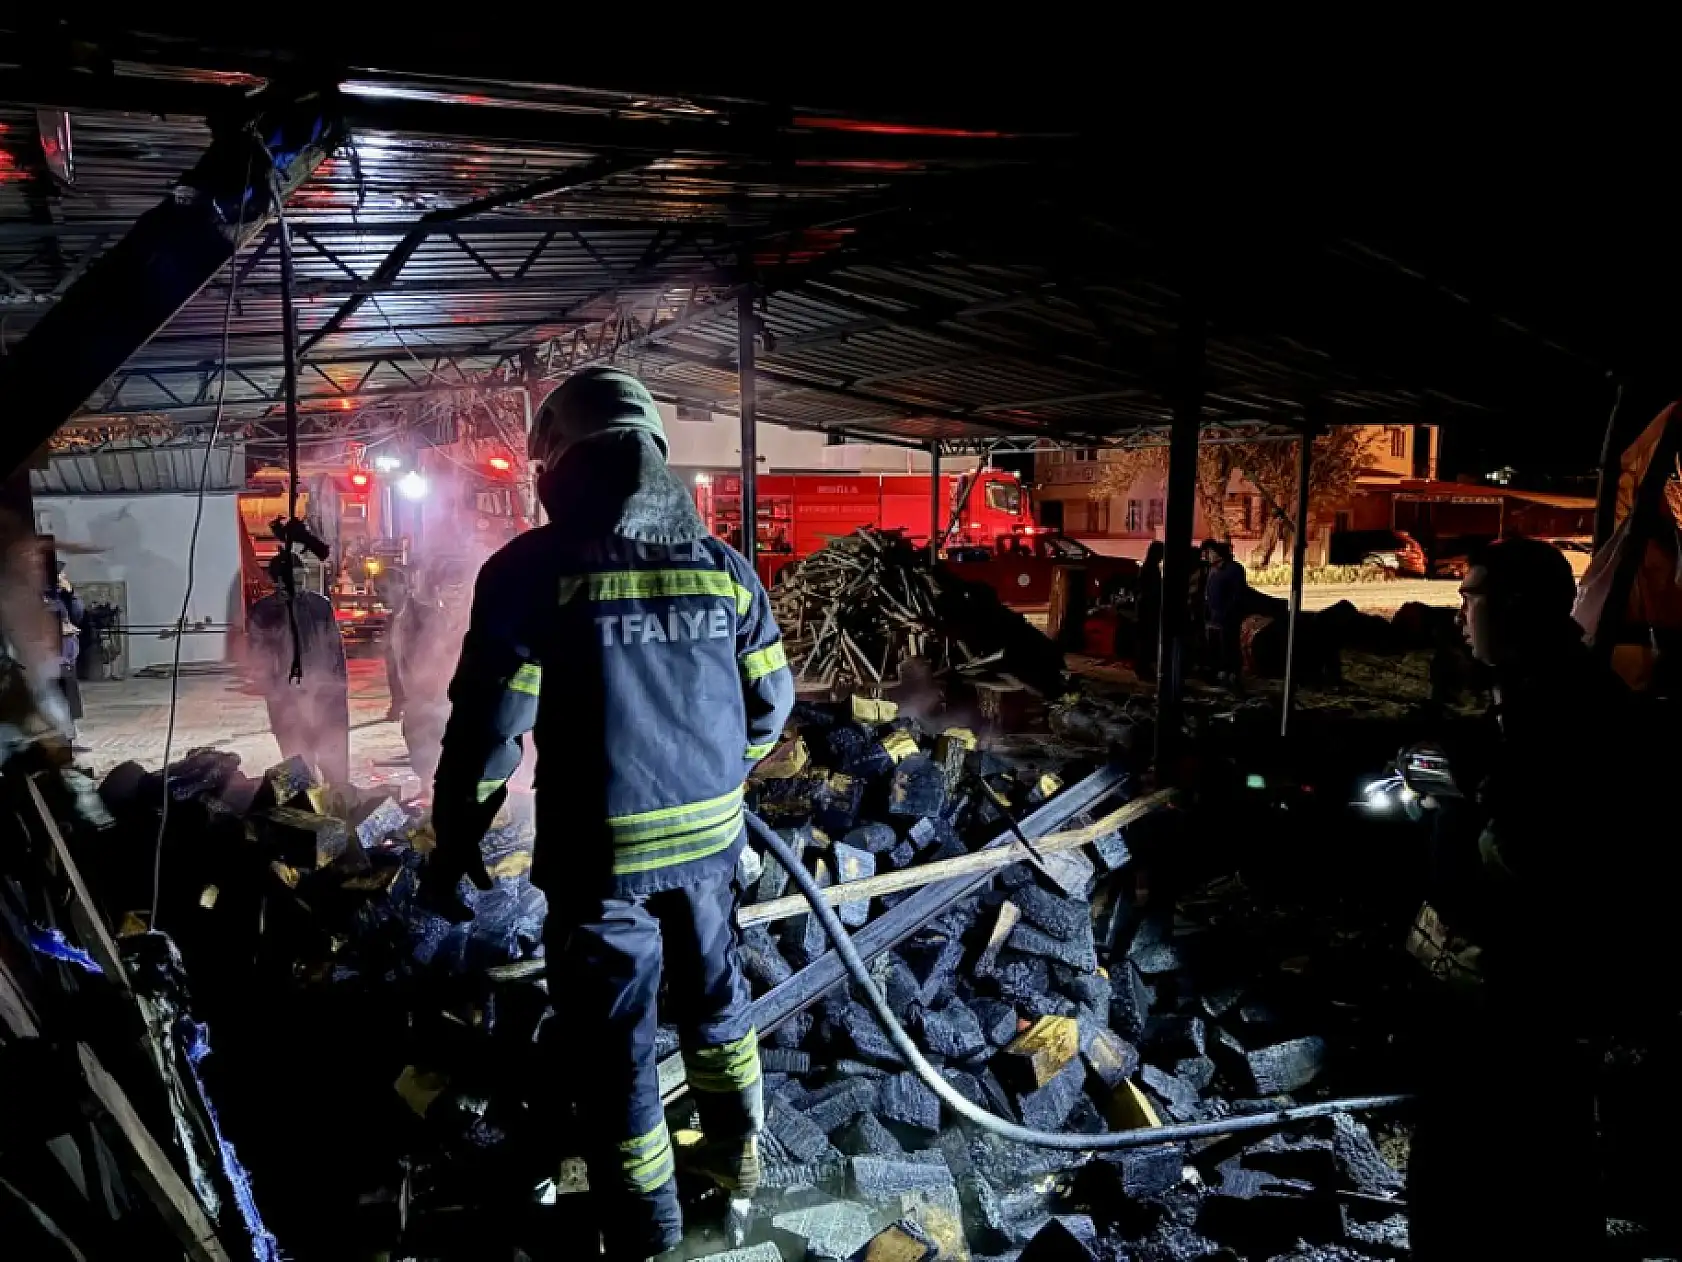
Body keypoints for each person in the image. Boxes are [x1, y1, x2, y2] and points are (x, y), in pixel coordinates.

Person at [422, 367, 795, 1260]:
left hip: (601, 860)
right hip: (711, 846)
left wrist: (457, 834)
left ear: (558, 463)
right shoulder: (725, 569)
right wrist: (718, 783)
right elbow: (772, 707)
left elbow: (490, 729)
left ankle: (649, 1230)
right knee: (715, 1002)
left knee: (617, 1046)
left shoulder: (530, 572)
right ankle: (737, 1165)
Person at [1406, 537, 1649, 1259]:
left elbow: (1548, 857)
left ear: (1515, 606)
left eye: (1471, 596)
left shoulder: (1570, 711)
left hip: (1523, 998)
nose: (1460, 612)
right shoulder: (1529, 695)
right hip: (1492, 990)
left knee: (1514, 1176)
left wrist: (1478, 791)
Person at [245, 554, 350, 784]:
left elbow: (335, 649)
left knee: (334, 761)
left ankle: (339, 796)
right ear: (277, 581)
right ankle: (305, 800)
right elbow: (257, 656)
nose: (300, 585)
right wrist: (274, 692)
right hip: (287, 698)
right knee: (297, 761)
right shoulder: (264, 611)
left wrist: (340, 687)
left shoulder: (320, 605)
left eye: (302, 579)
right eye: (294, 580)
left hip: (325, 694)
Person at [389, 557, 472, 785]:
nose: (456, 595)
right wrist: (401, 697)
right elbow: (400, 660)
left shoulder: (470, 618)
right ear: (438, 589)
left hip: (453, 698)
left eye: (460, 589)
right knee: (424, 749)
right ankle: (429, 786)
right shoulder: (419, 618)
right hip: (424, 698)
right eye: (451, 589)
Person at [1201, 538, 1247, 686]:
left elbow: (1238, 594)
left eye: (1210, 553)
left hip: (1228, 616)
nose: (1207, 556)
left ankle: (1232, 673)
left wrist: (1228, 611)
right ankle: (1219, 671)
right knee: (1216, 646)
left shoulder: (1234, 569)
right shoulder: (1212, 569)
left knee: (1229, 644)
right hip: (1213, 616)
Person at [1129, 541, 1164, 680]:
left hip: (1145, 609)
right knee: (1146, 640)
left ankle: (1142, 667)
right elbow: (1150, 591)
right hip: (1148, 610)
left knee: (1145, 640)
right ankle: (1143, 668)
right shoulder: (1151, 570)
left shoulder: (1147, 568)